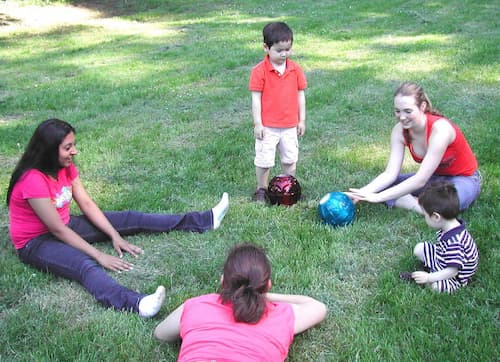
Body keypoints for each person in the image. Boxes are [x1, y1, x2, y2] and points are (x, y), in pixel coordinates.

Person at [6, 118, 229, 317]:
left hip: (65, 224)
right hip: (36, 242)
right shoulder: (32, 180)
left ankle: (206, 220)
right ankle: (138, 304)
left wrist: (114, 234)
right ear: (48, 151)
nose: (75, 152)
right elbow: (57, 230)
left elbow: (86, 203)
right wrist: (99, 255)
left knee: (132, 218)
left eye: (73, 145)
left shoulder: (65, 167)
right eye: (68, 147)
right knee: (85, 264)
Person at [154, 242, 327, 361]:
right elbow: (317, 306)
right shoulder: (281, 316)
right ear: (267, 285)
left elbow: (161, 334)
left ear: (223, 282)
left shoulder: (196, 306)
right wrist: (263, 294)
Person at [348, 81, 480, 214]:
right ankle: (426, 207)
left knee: (449, 203)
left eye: (408, 111)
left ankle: (412, 203)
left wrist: (378, 197)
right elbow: (390, 174)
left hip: (463, 178)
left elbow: (420, 179)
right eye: (397, 111)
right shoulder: (399, 131)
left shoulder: (440, 130)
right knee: (384, 186)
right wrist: (362, 193)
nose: (402, 117)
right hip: (434, 178)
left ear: (422, 106)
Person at [249, 21, 307, 202]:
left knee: (290, 159)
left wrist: (301, 120)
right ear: (266, 47)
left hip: (289, 125)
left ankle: (290, 187)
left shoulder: (295, 69)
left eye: (288, 49)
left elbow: (300, 95)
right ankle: (262, 189)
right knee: (264, 160)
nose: (284, 54)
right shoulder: (259, 71)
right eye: (279, 50)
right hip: (268, 126)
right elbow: (256, 98)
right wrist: (258, 123)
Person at [400, 182, 478, 293]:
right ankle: (432, 271)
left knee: (436, 287)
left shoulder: (455, 242)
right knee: (419, 249)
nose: (424, 218)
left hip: (455, 276)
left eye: (425, 215)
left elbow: (453, 271)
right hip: (444, 259)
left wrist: (429, 278)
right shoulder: (450, 227)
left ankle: (428, 276)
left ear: (436, 217)